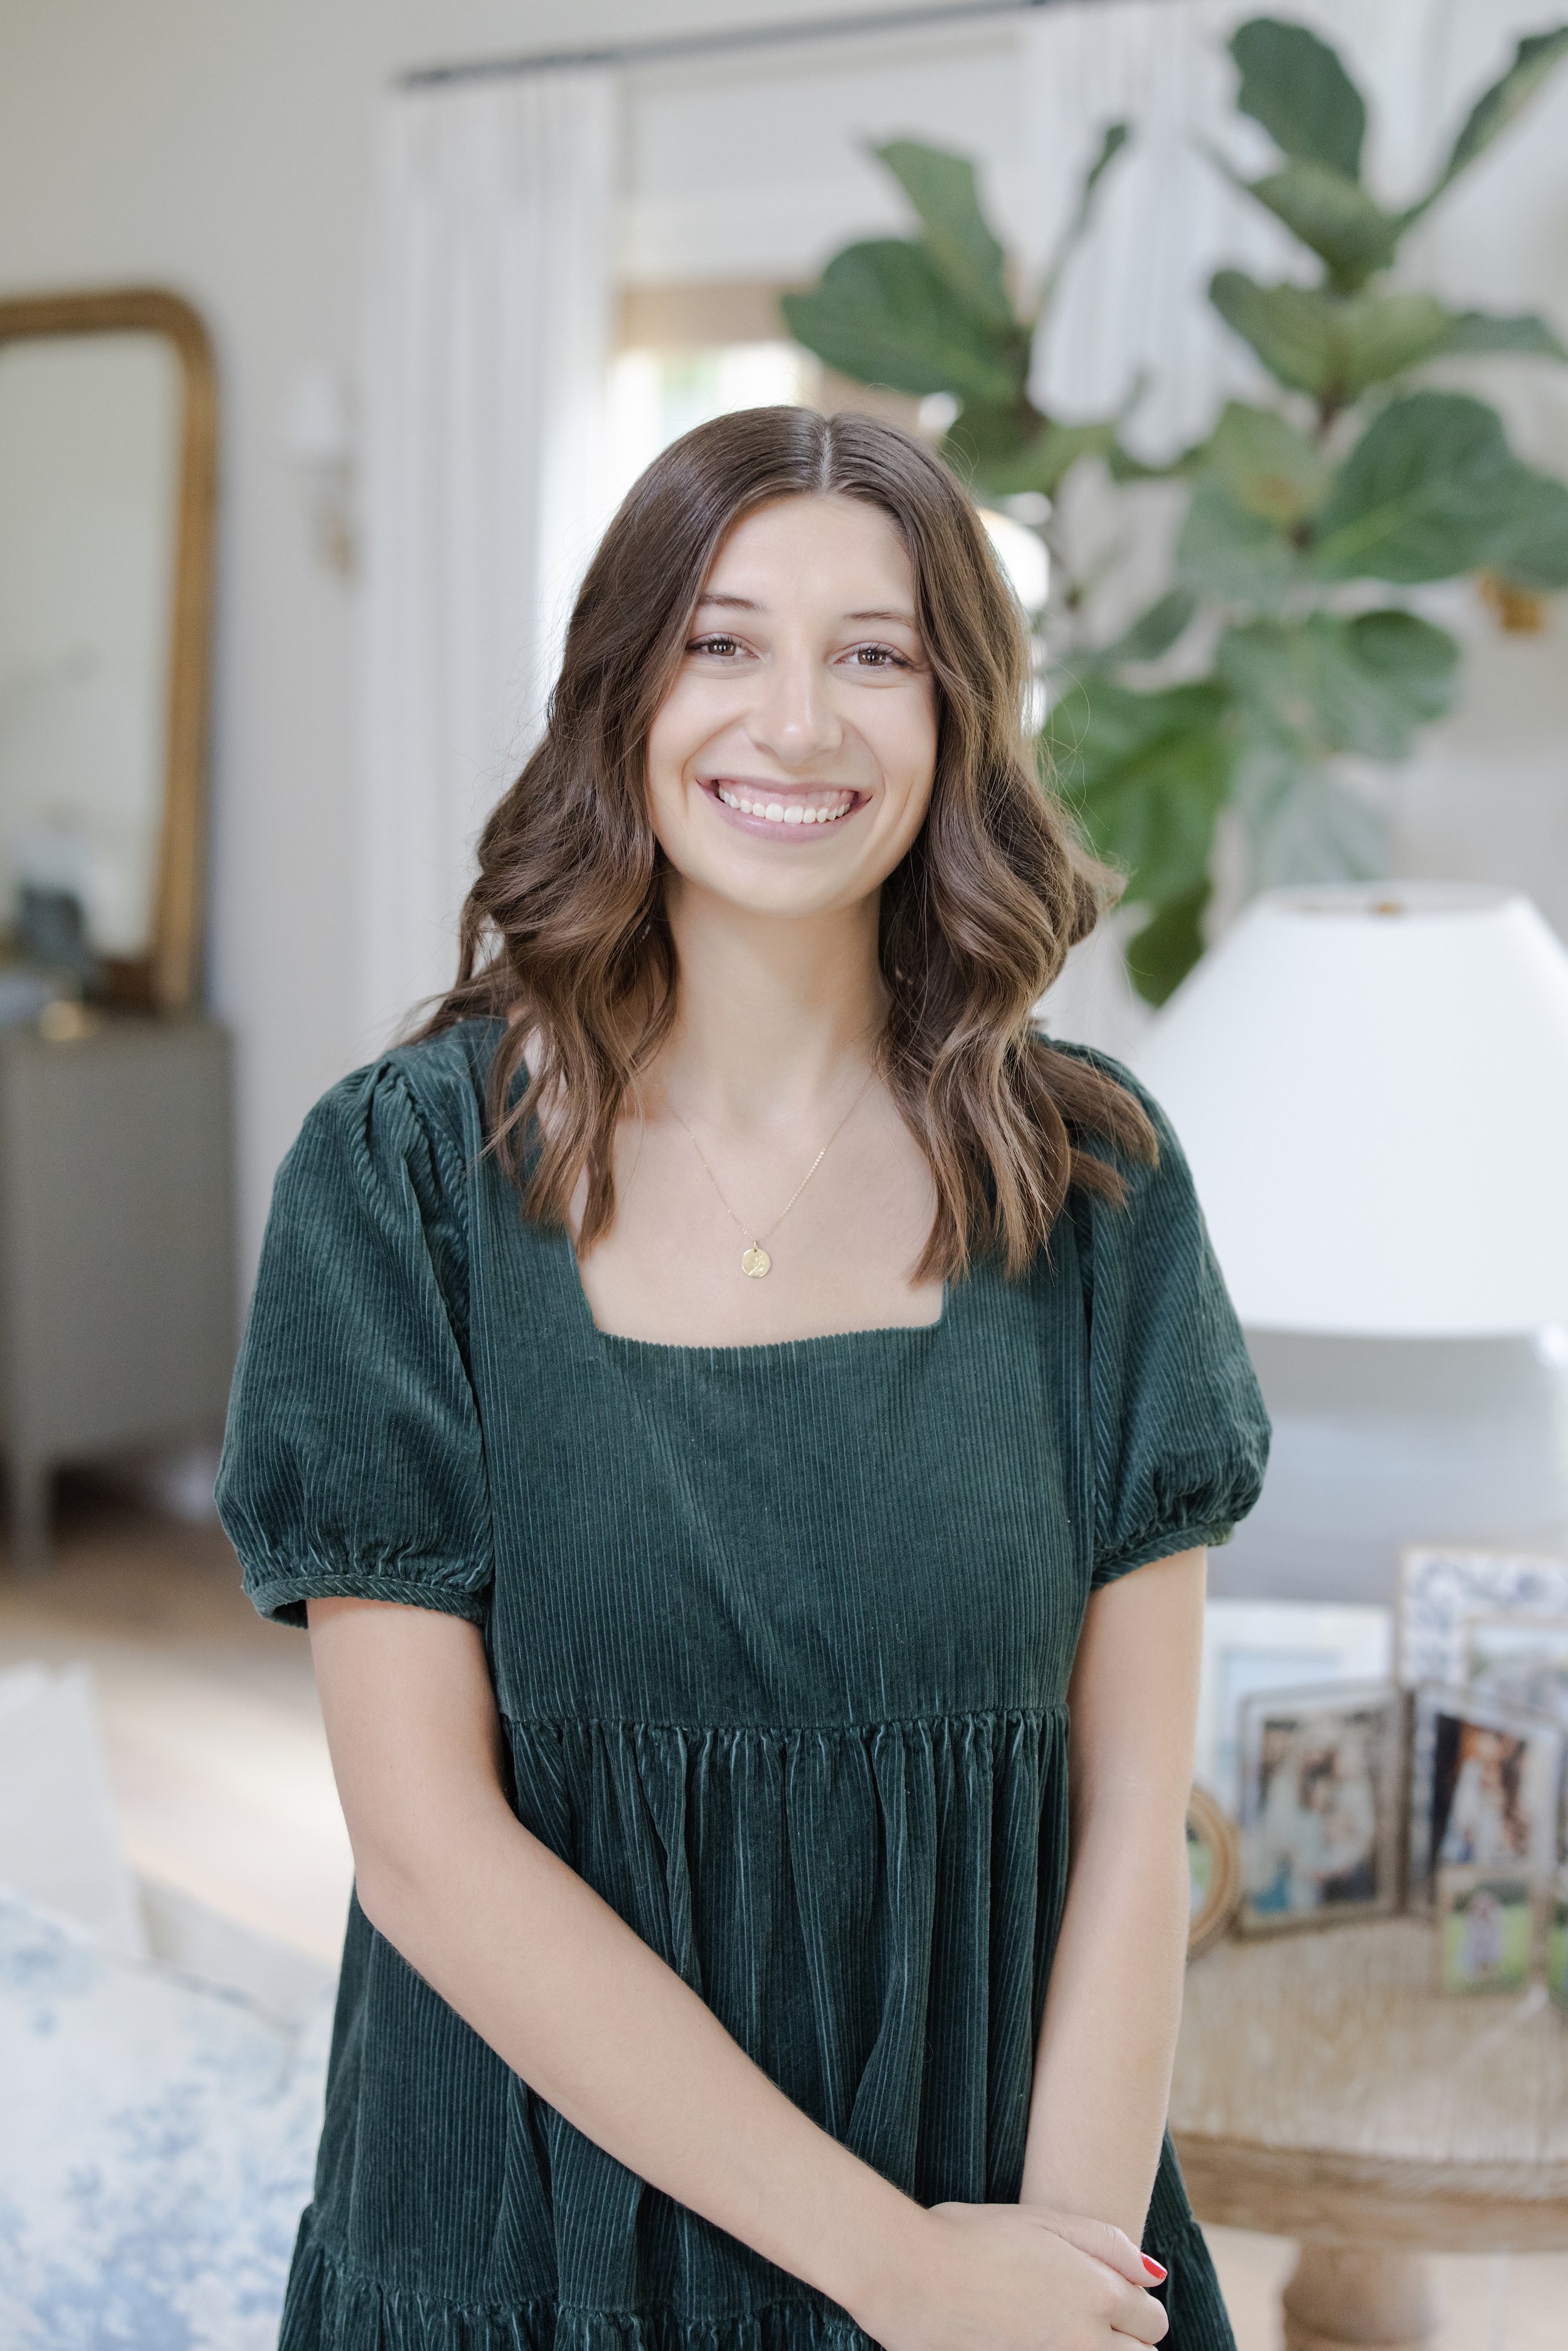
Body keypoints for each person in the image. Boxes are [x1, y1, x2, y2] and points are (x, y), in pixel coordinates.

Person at [218, 406, 1269, 2351]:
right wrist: (899, 2273)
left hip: (1021, 2237)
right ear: (621, 693)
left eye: (875, 654)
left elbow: (1136, 1811)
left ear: (954, 720)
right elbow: (427, 1848)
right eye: (721, 641)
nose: (795, 722)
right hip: (529, 2253)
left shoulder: (1096, 1178)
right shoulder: (395, 1186)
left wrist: (1038, 2280)